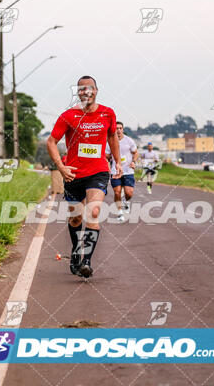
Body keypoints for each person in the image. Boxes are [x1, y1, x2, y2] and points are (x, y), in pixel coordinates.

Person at [47, 75, 122, 278]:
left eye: (90, 88)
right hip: (73, 174)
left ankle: (86, 261)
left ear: (96, 91)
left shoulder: (107, 114)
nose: (86, 91)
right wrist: (61, 167)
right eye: (81, 89)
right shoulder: (68, 116)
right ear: (77, 92)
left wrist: (118, 162)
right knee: (75, 218)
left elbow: (112, 136)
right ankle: (75, 251)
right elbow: (51, 141)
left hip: (97, 170)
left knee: (94, 212)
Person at [105, 122, 138, 222]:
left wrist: (133, 162)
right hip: (115, 170)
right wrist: (110, 158)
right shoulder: (109, 141)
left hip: (128, 170)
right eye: (116, 128)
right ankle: (120, 212)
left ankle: (126, 202)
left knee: (129, 193)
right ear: (114, 130)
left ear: (123, 129)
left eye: (120, 128)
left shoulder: (129, 141)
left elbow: (136, 153)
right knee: (117, 191)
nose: (118, 130)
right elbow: (106, 155)